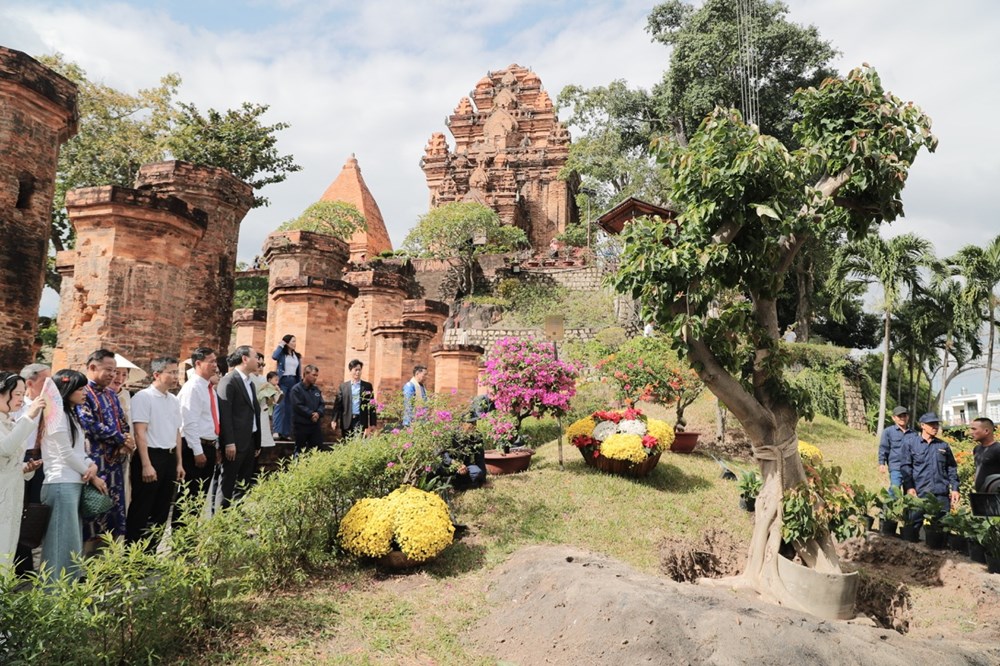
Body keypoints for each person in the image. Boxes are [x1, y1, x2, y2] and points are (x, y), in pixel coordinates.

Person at [41, 370, 108, 581]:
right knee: (60, 543)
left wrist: (91, 466)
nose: (84, 393)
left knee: (71, 541)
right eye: (79, 389)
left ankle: (67, 592)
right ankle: (53, 595)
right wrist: (91, 474)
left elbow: (78, 451)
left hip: (73, 482)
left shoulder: (70, 414)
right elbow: (64, 452)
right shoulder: (57, 415)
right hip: (61, 483)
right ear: (67, 389)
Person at [125, 357, 184, 548]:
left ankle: (151, 553)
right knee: (142, 508)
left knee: (162, 509)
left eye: (177, 372)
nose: (176, 376)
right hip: (150, 455)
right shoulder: (144, 397)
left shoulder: (174, 400)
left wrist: (179, 462)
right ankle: (132, 556)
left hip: (169, 456)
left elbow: (176, 432)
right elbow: (140, 432)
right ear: (157, 374)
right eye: (172, 372)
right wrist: (146, 464)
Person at [77, 349, 133, 545]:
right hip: (93, 460)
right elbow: (89, 424)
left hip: (114, 462)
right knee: (92, 508)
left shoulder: (112, 394)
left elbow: (123, 422)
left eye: (115, 370)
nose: (113, 375)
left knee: (113, 509)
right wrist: (120, 438)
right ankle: (85, 564)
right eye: (109, 370)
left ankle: (107, 561)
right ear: (92, 367)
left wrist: (124, 439)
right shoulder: (82, 392)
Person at [0, 372, 45, 570]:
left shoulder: (9, 423)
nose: (21, 399)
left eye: (22, 393)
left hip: (12, 497)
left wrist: (27, 469)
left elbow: (10, 461)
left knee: (7, 549)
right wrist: (29, 416)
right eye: (17, 394)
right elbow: (5, 449)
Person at [13, 363, 49, 574]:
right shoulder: (17, 407)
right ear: (30, 383)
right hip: (19, 460)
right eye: (45, 381)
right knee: (18, 510)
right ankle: (19, 564)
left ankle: (28, 562)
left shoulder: (48, 406)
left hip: (41, 460)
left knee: (35, 511)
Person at [177, 347, 221, 518]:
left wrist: (215, 445)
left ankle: (191, 539)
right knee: (189, 498)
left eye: (215, 361)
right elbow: (189, 422)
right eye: (211, 362)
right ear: (198, 363)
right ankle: (181, 540)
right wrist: (198, 451)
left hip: (207, 445)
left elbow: (211, 420)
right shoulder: (193, 388)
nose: (215, 366)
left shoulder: (208, 388)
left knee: (199, 498)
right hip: (195, 447)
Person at [217, 346, 261, 507]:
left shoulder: (250, 383)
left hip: (249, 441)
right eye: (256, 357)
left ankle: (236, 521)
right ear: (244, 359)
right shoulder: (229, 380)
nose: (259, 361)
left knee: (243, 484)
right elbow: (225, 414)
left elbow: (253, 413)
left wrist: (257, 441)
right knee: (227, 483)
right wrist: (229, 442)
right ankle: (220, 522)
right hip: (234, 443)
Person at [900, 412, 960, 530]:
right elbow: (905, 467)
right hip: (920, 492)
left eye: (936, 424)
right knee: (912, 527)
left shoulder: (943, 445)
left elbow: (951, 468)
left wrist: (955, 489)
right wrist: (909, 487)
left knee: (943, 528)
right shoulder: (911, 444)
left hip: (940, 493)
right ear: (922, 425)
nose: (935, 427)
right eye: (931, 424)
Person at [436, 413, 486, 490]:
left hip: (465, 467)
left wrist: (483, 480)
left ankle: (459, 482)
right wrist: (455, 463)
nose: (474, 425)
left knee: (477, 472)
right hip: (448, 466)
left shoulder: (477, 437)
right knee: (437, 469)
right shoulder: (451, 434)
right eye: (470, 423)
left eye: (475, 422)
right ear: (462, 424)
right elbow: (442, 454)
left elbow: (480, 459)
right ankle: (454, 482)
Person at [333, 359, 376, 438]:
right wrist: (334, 420)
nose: (358, 372)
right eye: (356, 370)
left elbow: (372, 405)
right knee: (347, 443)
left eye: (359, 370)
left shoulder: (367, 386)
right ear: (350, 370)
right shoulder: (343, 387)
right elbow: (338, 405)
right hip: (346, 420)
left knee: (357, 442)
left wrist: (373, 423)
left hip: (360, 420)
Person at [271, 334, 302, 439]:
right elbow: (274, 356)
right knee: (280, 405)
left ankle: (286, 432)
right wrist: (281, 345)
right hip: (282, 381)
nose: (295, 344)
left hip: (293, 381)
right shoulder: (282, 355)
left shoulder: (296, 356)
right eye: (293, 341)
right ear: (287, 343)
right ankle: (276, 431)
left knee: (289, 407)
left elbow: (298, 372)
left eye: (295, 341)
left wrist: (299, 384)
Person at [289, 365, 324, 455]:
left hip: (314, 425)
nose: (315, 378)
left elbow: (321, 404)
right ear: (306, 374)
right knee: (300, 451)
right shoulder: (296, 389)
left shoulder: (316, 390)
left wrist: (318, 414)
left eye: (317, 375)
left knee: (317, 450)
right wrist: (311, 414)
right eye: (314, 375)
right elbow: (298, 406)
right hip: (301, 425)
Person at [878, 406, 912, 491]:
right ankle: (889, 504)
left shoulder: (913, 434)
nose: (902, 418)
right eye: (899, 416)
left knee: (910, 493)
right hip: (896, 467)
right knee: (895, 489)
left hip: (911, 468)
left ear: (908, 417)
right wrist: (882, 463)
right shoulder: (888, 432)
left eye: (904, 415)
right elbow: (883, 448)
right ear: (893, 418)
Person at [971, 417, 1000, 493]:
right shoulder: (976, 449)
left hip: (995, 497)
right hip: (982, 496)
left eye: (974, 429)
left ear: (986, 431)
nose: (971, 432)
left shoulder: (998, 449)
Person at [256, 371, 282, 451]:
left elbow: (277, 390)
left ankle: (276, 399)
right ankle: (267, 404)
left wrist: (278, 391)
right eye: (275, 380)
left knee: (275, 395)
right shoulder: (266, 385)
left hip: (271, 401)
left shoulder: (275, 387)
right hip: (265, 396)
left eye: (278, 380)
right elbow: (261, 390)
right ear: (270, 379)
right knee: (266, 396)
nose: (277, 382)